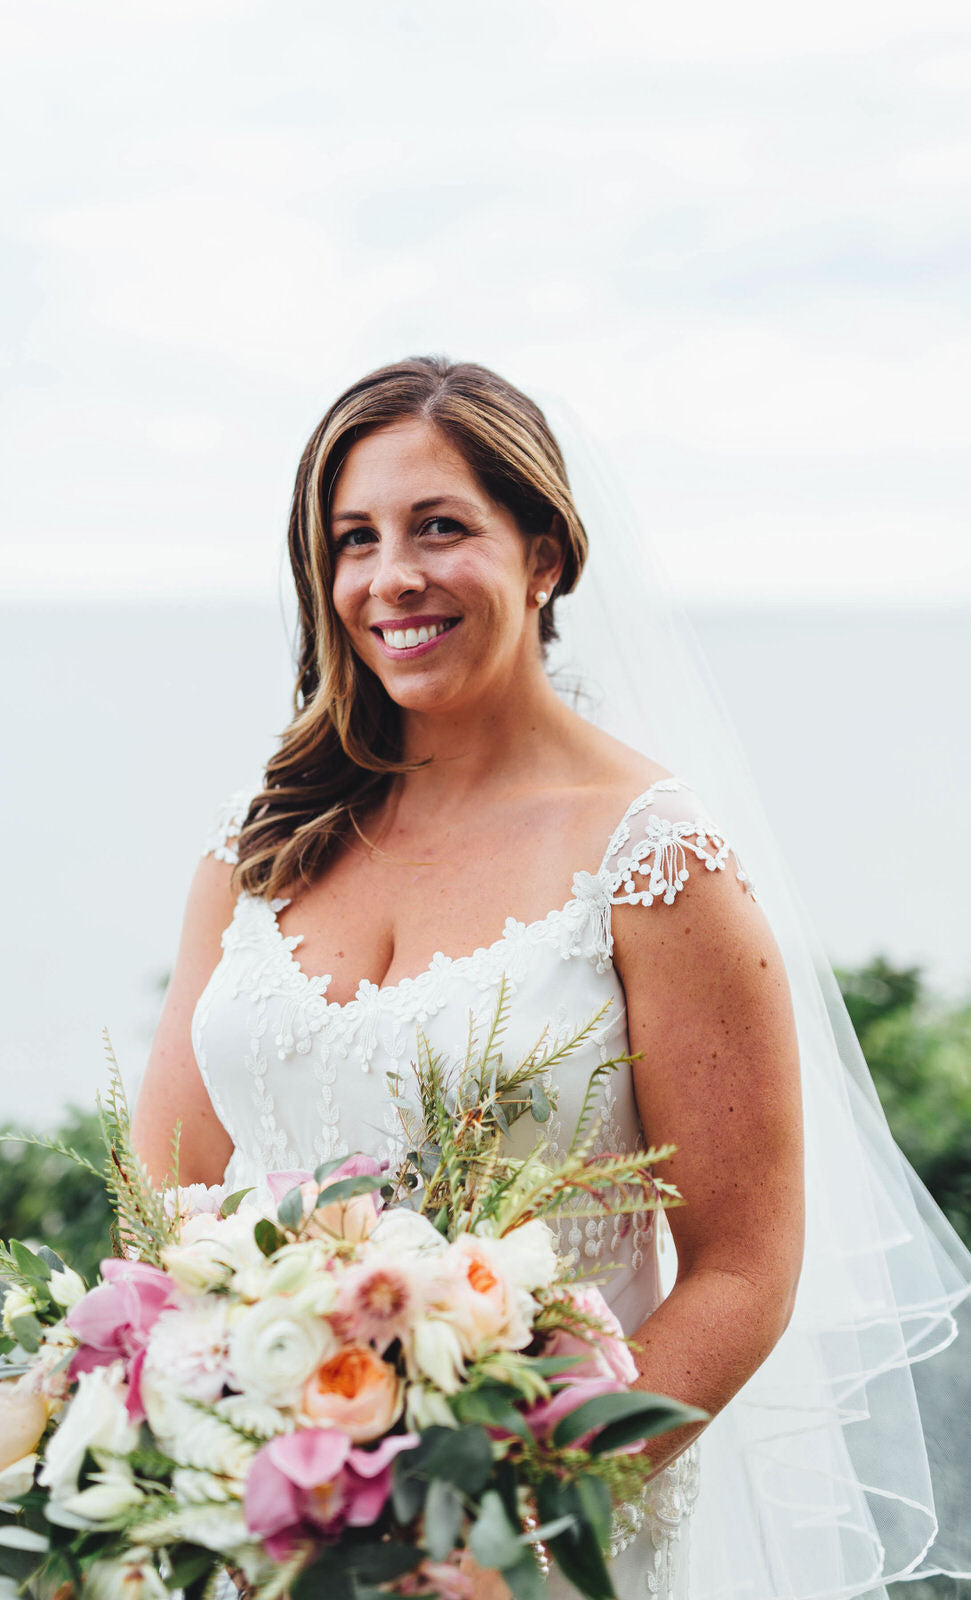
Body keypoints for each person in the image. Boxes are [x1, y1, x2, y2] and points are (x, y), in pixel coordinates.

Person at [131, 356, 971, 1600]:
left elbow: (743, 1265)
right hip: (269, 1527)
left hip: (540, 1550)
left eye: (438, 527)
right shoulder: (257, 845)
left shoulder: (653, 862)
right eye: (352, 538)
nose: (390, 576)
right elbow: (167, 1201)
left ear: (544, 556)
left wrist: (514, 1514)